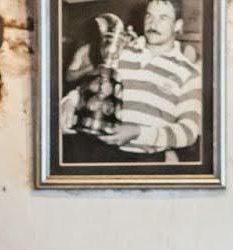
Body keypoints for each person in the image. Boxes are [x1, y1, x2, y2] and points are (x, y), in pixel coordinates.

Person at [61, 0, 203, 162]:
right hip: (97, 152)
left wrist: (139, 133)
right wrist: (69, 101)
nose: (152, 23)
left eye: (163, 18)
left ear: (178, 25)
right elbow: (93, 85)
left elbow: (189, 131)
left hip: (146, 161)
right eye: (149, 16)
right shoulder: (121, 51)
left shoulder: (189, 72)